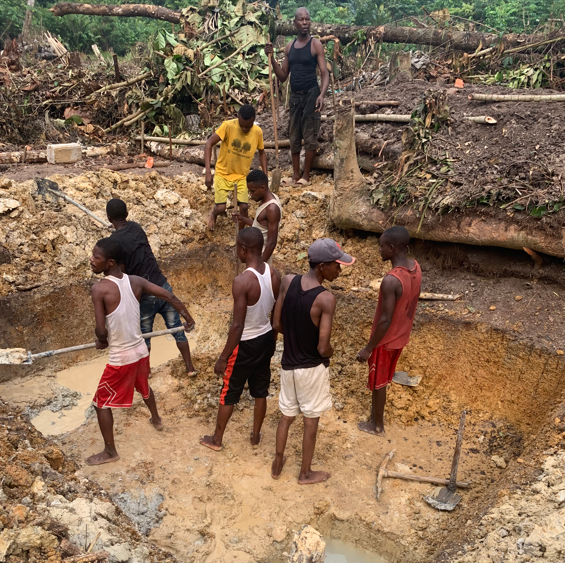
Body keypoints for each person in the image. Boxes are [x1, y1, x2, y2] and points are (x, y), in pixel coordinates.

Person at [88, 238, 195, 466]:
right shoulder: (135, 281)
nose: (91, 259)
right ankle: (156, 419)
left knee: (101, 403)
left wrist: (101, 340)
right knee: (144, 386)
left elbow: (100, 329)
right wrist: (187, 317)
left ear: (110, 262)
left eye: (96, 257)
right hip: (140, 351)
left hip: (121, 358)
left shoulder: (99, 288)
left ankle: (110, 452)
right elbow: (168, 295)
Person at [271, 239, 355, 484]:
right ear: (321, 267)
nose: (339, 270)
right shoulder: (325, 299)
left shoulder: (288, 281)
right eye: (336, 265)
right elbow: (322, 346)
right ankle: (305, 473)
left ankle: (277, 465)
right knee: (310, 422)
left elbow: (276, 324)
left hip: (288, 366)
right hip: (311, 370)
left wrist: (296, 335)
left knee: (286, 417)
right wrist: (331, 352)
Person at [200, 227, 281, 452]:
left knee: (230, 391)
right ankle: (255, 435)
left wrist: (223, 357)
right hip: (265, 338)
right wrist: (272, 338)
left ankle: (217, 439)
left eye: (237, 247)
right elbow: (275, 312)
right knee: (260, 390)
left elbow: (237, 325)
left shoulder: (242, 281)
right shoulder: (274, 274)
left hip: (245, 343)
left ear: (243, 249)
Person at [106, 199, 197, 376]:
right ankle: (190, 368)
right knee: (177, 328)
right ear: (126, 214)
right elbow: (128, 234)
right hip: (161, 286)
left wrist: (114, 238)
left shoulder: (114, 242)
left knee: (145, 336)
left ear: (109, 218)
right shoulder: (136, 227)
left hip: (144, 293)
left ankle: (146, 373)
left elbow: (123, 273)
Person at [355, 226, 422, 437]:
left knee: (378, 382)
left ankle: (377, 426)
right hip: (401, 336)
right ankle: (374, 419)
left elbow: (385, 320)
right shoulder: (416, 269)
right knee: (381, 380)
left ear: (392, 248)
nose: (380, 251)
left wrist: (368, 347)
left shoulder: (391, 280)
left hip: (386, 339)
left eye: (381, 247)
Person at [266, 7, 330, 187]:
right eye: (301, 20)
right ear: (294, 23)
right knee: (294, 136)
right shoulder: (290, 47)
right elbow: (283, 76)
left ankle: (306, 177)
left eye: (307, 19)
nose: (304, 22)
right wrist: (271, 59)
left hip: (311, 94)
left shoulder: (315, 44)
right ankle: (295, 175)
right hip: (295, 96)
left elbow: (325, 74)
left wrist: (322, 95)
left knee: (310, 136)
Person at [204, 104, 268, 231]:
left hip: (241, 176)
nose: (244, 128)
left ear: (253, 121)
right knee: (220, 208)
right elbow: (209, 143)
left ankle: (241, 233)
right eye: (242, 125)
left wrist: (265, 176)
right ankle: (213, 214)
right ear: (237, 117)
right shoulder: (227, 126)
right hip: (223, 173)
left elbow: (261, 152)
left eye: (248, 126)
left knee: (244, 208)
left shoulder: (257, 132)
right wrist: (208, 171)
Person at [231, 169, 282, 265]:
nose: (250, 195)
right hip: (257, 257)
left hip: (262, 256)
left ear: (263, 187)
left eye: (253, 191)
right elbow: (261, 226)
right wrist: (243, 219)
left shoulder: (271, 208)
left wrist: (259, 267)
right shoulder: (267, 199)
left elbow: (271, 243)